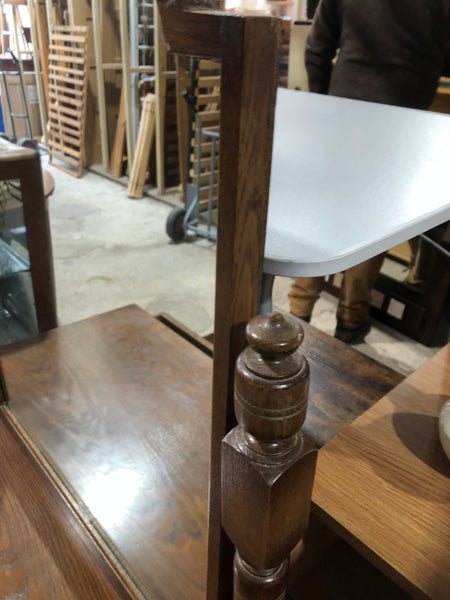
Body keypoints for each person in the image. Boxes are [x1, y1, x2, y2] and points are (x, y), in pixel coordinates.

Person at [289, 0, 450, 343]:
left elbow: (317, 49)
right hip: (402, 118)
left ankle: (297, 312)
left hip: (344, 111)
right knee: (372, 224)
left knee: (322, 212)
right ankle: (351, 321)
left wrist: (325, 105)